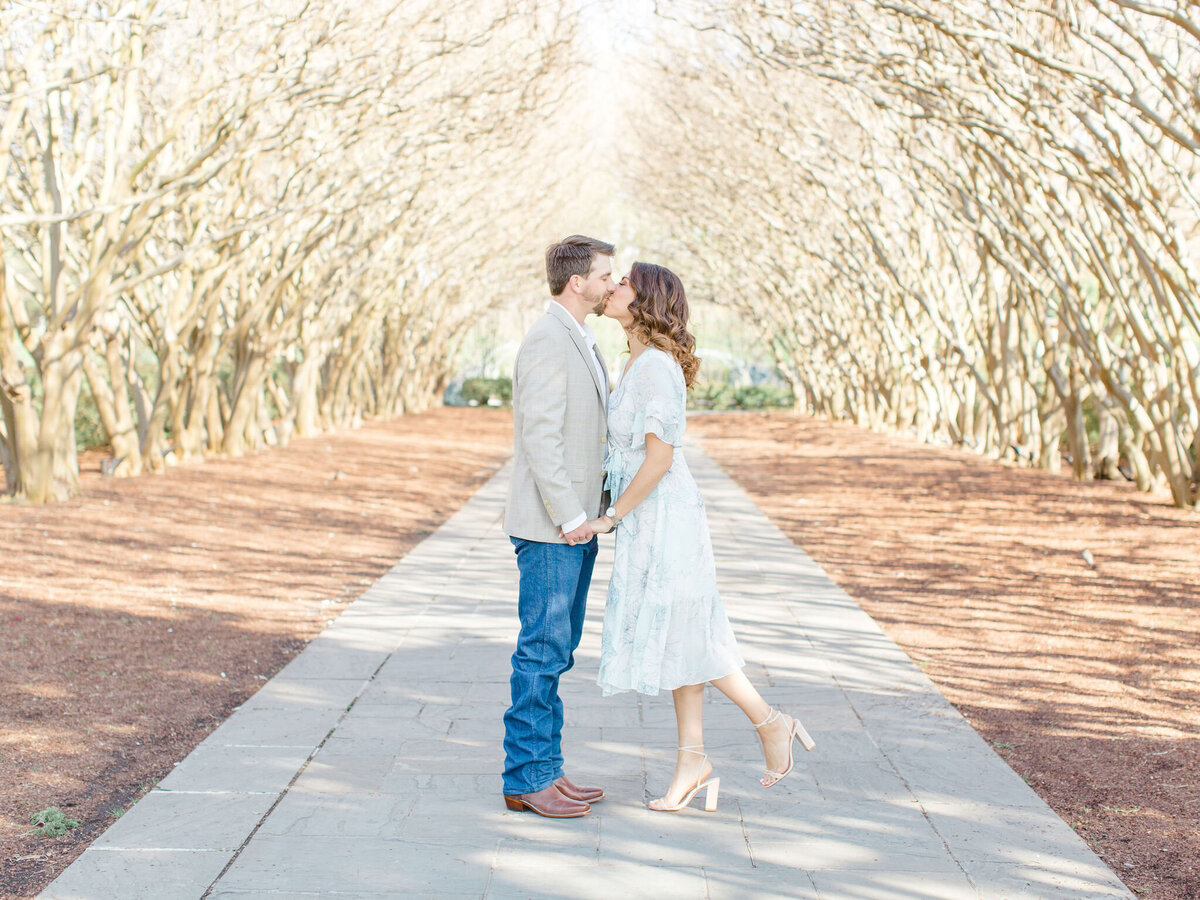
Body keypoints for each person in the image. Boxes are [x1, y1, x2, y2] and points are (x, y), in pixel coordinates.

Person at [586, 262, 815, 812]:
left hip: (665, 518)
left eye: (623, 283)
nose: (612, 287)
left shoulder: (657, 368)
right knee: (677, 636)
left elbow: (659, 459)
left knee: (689, 632)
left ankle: (770, 722)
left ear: (645, 302)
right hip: (648, 519)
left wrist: (611, 515)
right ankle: (694, 758)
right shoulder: (637, 361)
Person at [501, 235, 616, 819]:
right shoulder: (548, 340)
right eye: (604, 275)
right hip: (553, 530)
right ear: (577, 281)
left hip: (574, 528)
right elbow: (540, 439)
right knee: (541, 653)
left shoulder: (576, 336)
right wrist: (573, 518)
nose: (610, 284)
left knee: (558, 651)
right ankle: (526, 778)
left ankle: (545, 767)